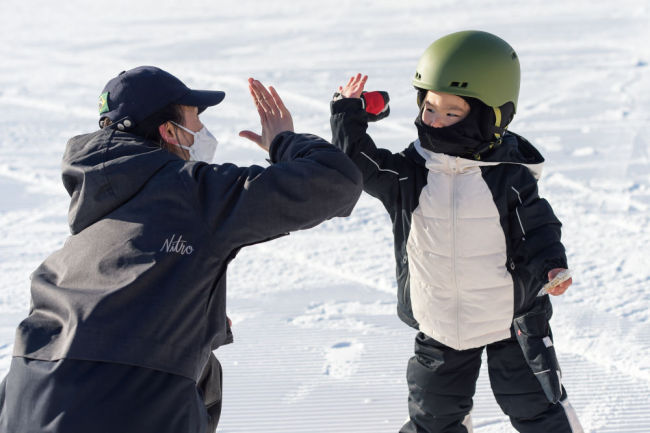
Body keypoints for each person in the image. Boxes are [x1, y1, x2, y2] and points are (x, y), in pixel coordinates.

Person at [0, 65, 362, 433]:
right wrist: (284, 141)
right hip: (117, 400)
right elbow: (334, 182)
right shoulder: (190, 191)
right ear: (169, 131)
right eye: (195, 117)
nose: (202, 129)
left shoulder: (93, 209)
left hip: (25, 398)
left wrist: (198, 318)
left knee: (204, 370)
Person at [330, 31, 583, 433]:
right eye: (429, 108)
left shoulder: (508, 177)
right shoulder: (410, 173)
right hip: (441, 323)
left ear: (491, 116)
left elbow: (538, 229)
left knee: (537, 409)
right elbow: (356, 164)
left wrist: (552, 267)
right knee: (432, 418)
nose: (435, 120)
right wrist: (348, 114)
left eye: (453, 112)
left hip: (512, 321)